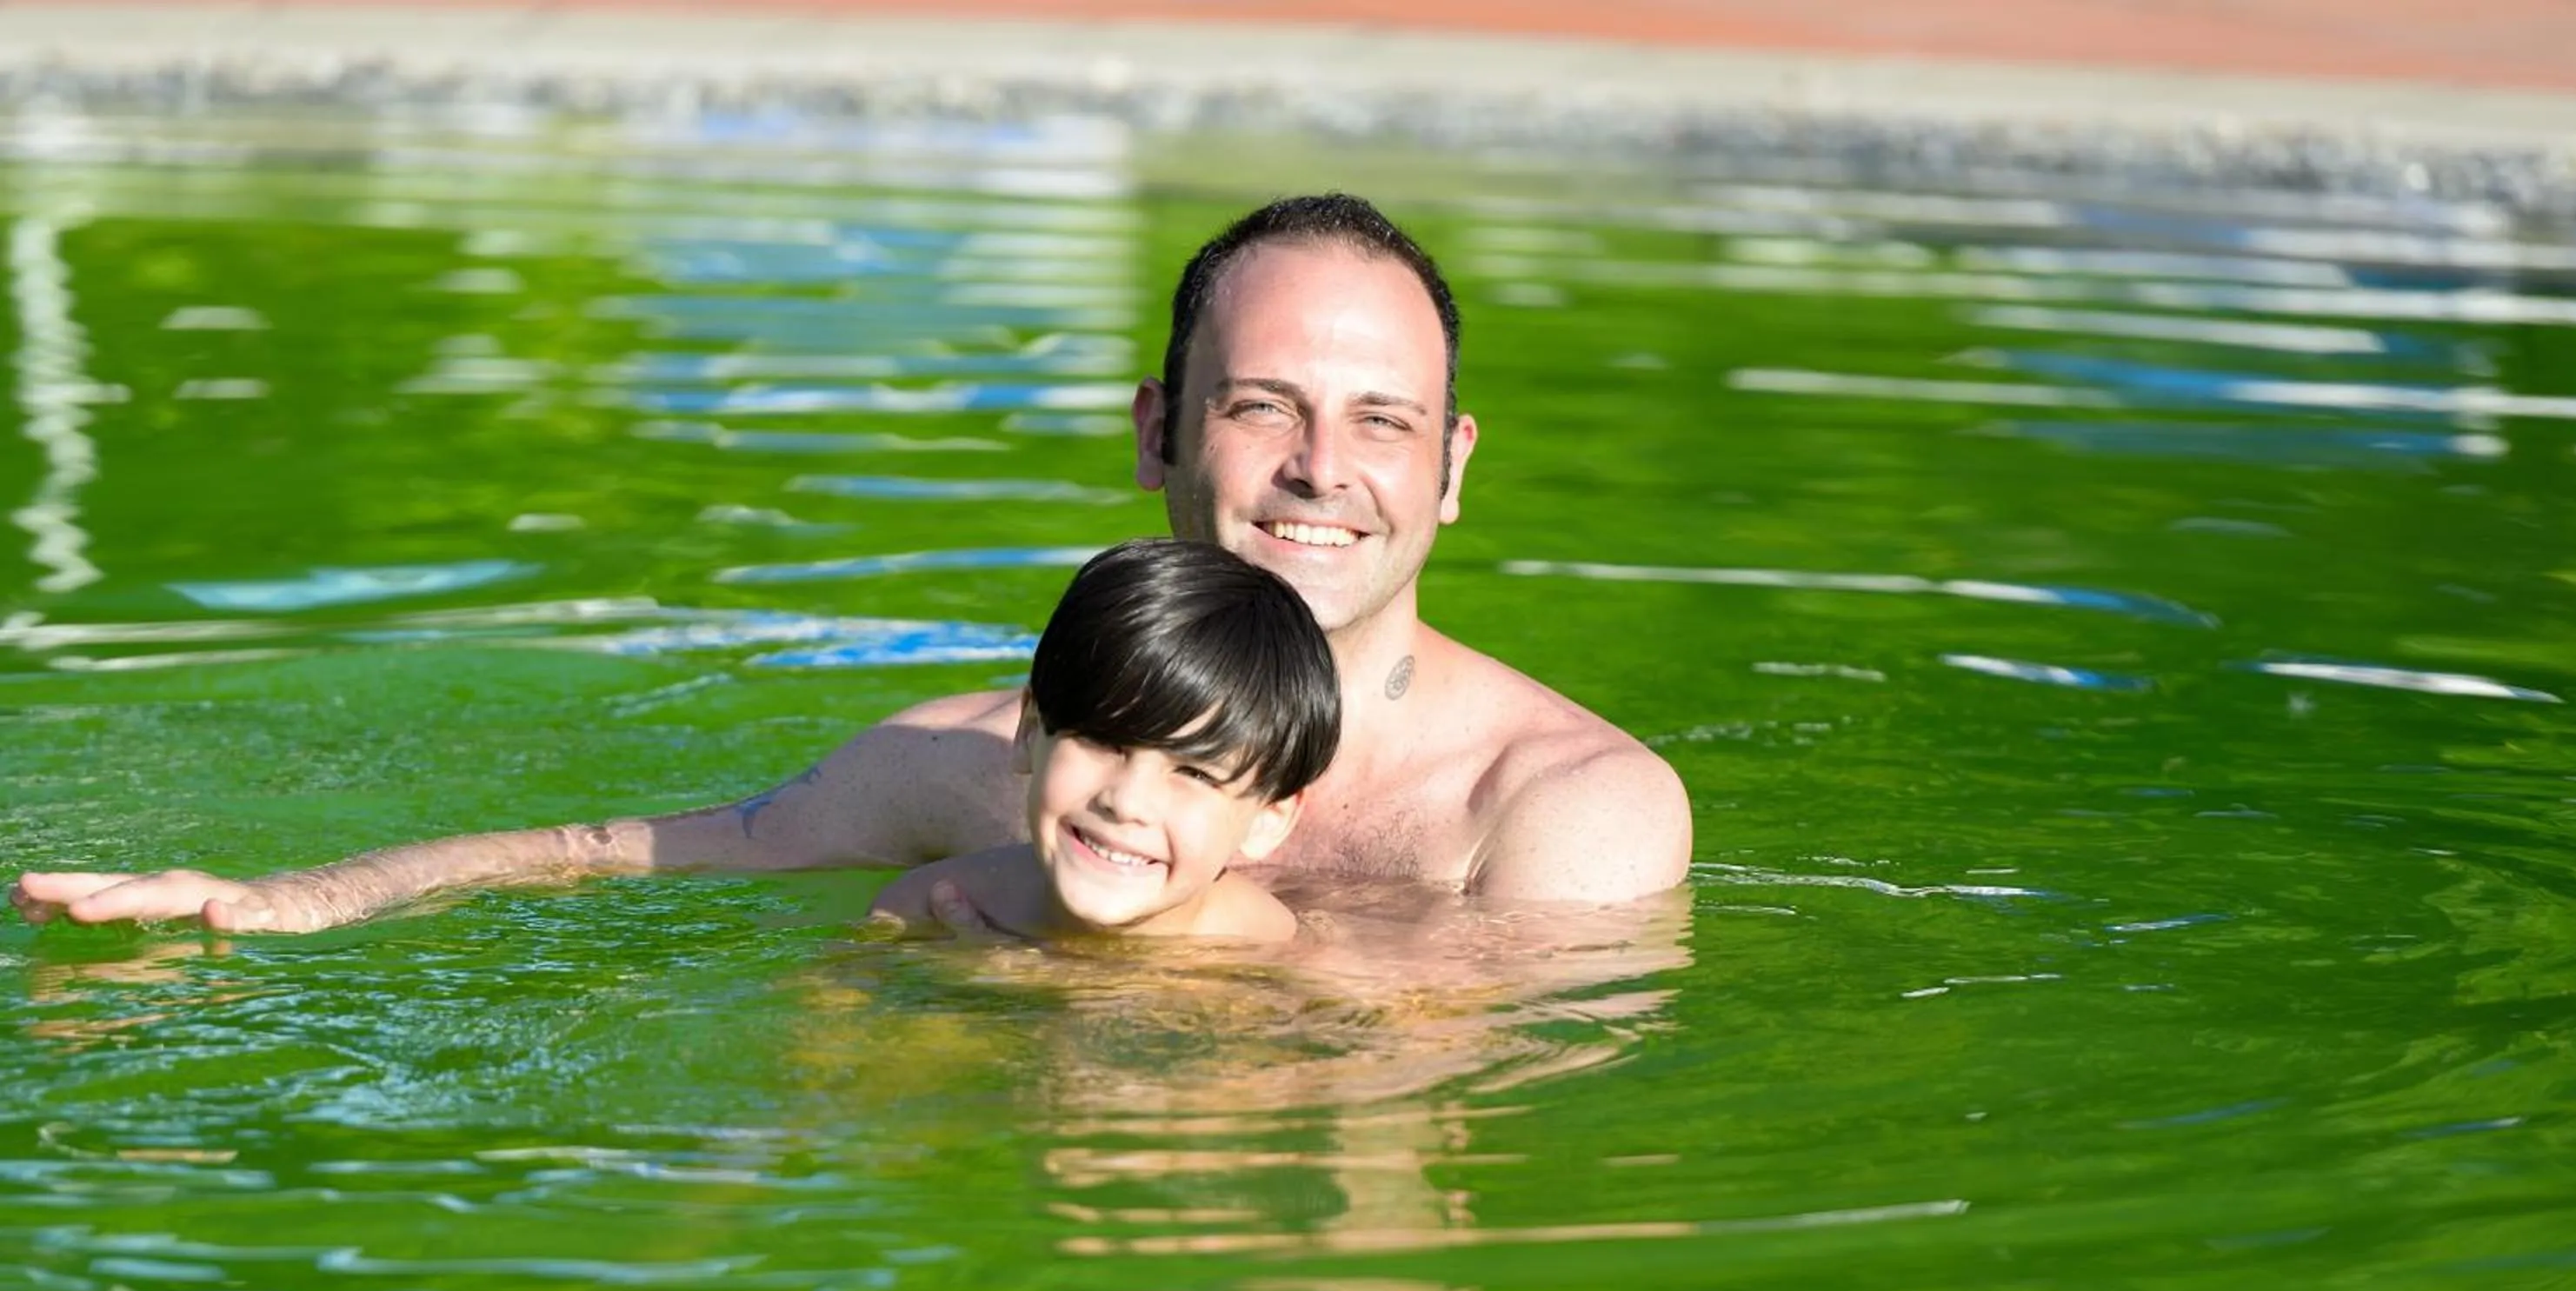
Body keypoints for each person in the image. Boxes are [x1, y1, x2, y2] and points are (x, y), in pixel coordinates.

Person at [9, 192, 1690, 935]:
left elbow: (1453, 1110)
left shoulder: (1558, 811)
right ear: (1159, 429)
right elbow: (630, 847)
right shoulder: (994, 763)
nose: (1325, 470)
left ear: (1451, 470)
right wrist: (293, 900)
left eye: (1382, 421)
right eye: (1266, 407)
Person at [871, 539, 1336, 944]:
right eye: (1102, 742)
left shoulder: (1276, 960)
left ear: (1267, 820)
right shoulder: (923, 910)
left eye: (1194, 772)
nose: (1126, 801)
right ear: (1030, 732)